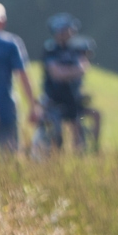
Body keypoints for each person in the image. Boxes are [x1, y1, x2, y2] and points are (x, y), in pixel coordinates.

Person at [41, 13, 99, 151]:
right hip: (54, 98)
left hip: (73, 96)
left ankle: (90, 151)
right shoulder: (50, 49)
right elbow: (56, 74)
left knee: (82, 122)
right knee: (55, 130)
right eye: (64, 30)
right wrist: (73, 71)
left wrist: (65, 72)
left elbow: (83, 67)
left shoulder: (78, 48)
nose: (68, 33)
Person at [0, 1, 39, 155]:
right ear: (2, 21)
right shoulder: (10, 44)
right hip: (5, 105)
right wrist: (33, 105)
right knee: (9, 155)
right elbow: (23, 76)